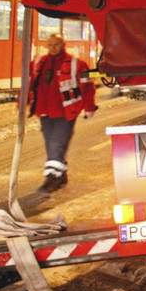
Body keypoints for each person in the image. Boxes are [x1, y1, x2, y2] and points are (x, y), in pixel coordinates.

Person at [27, 33, 97, 193]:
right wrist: (22, 101)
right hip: (44, 112)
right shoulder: (38, 63)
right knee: (51, 146)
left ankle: (51, 179)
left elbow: (87, 87)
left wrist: (89, 107)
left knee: (56, 145)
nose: (53, 48)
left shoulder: (76, 64)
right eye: (50, 45)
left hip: (66, 113)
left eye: (56, 44)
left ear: (63, 45)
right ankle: (61, 177)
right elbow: (29, 83)